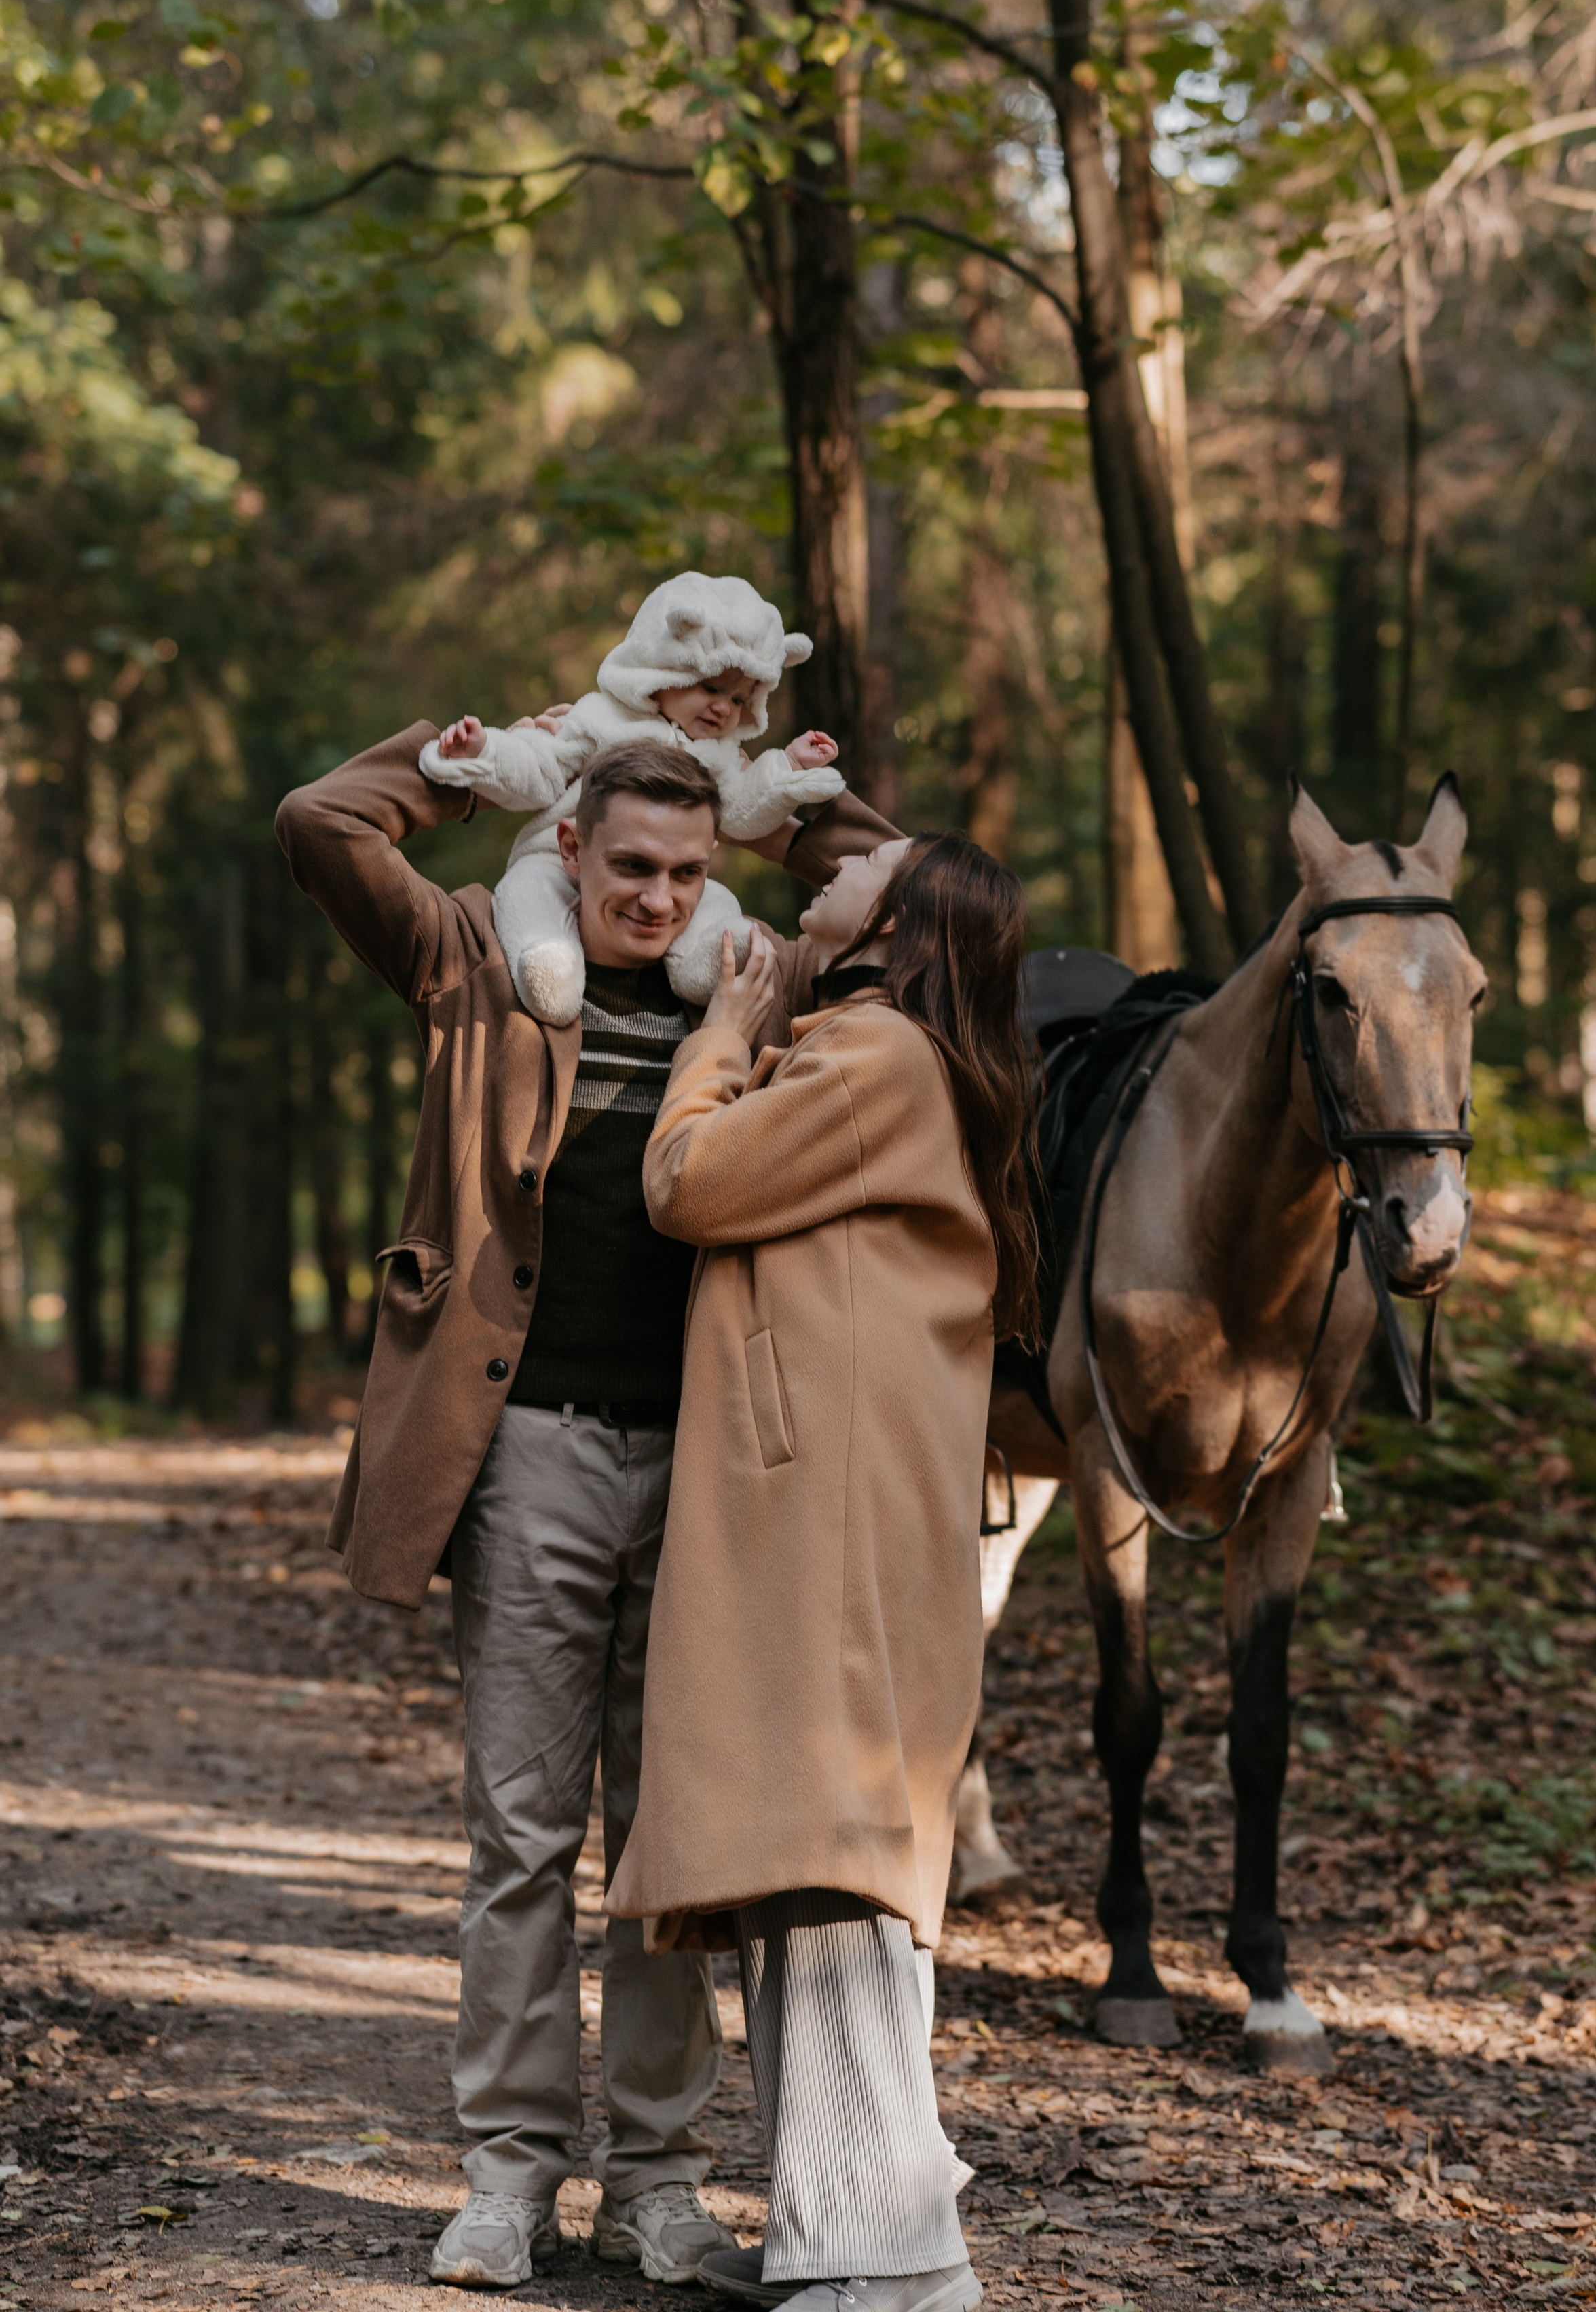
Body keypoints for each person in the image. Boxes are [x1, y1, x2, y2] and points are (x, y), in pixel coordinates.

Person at [274, 726, 896, 2292]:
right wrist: (462, 757)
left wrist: (780, 802)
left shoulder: (756, 979)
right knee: (523, 1829)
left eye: (686, 868)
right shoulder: (479, 956)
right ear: (569, 846)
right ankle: (503, 2180)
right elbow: (321, 822)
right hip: (529, 1445)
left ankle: (657, 2188)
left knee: (675, 1844)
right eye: (629, 863)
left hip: (712, 1459)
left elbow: (907, 892)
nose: (656, 893)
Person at [606, 832, 1041, 2312]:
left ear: (903, 922)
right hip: (838, 1512)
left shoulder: (872, 1057)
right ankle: (834, 2242)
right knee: (805, 1872)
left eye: (867, 864)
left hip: (832, 1527)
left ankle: (888, 2260)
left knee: (835, 1869)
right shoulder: (890, 1045)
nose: (832, 863)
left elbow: (687, 1179)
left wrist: (718, 1040)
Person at [418, 570, 847, 1024]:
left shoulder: (719, 755)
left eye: (740, 700)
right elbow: (542, 765)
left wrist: (788, 768)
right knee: (529, 892)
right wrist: (484, 753)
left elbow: (742, 808)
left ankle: (707, 957)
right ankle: (549, 966)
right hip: (551, 859)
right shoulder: (600, 718)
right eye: (711, 688)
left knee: (715, 900)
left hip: (677, 931)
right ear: (663, 670)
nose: (724, 708)